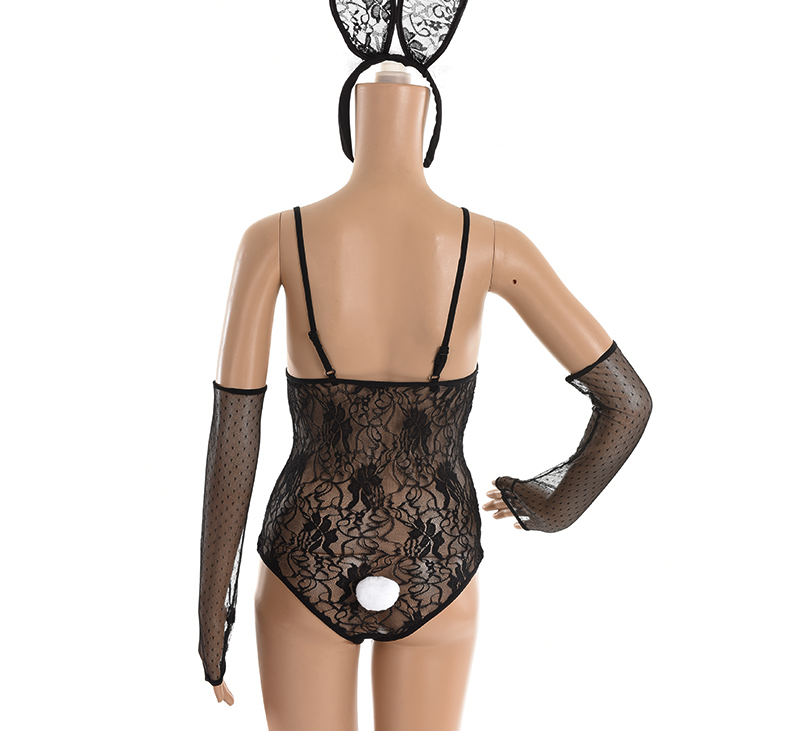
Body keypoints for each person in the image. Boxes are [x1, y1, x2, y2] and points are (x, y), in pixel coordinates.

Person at [197, 63, 651, 730]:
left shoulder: (274, 239)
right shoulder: (492, 244)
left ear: (350, 120)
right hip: (439, 551)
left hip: (304, 552)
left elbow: (235, 433)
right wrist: (552, 504)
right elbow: (628, 403)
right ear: (430, 125)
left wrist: (212, 613)